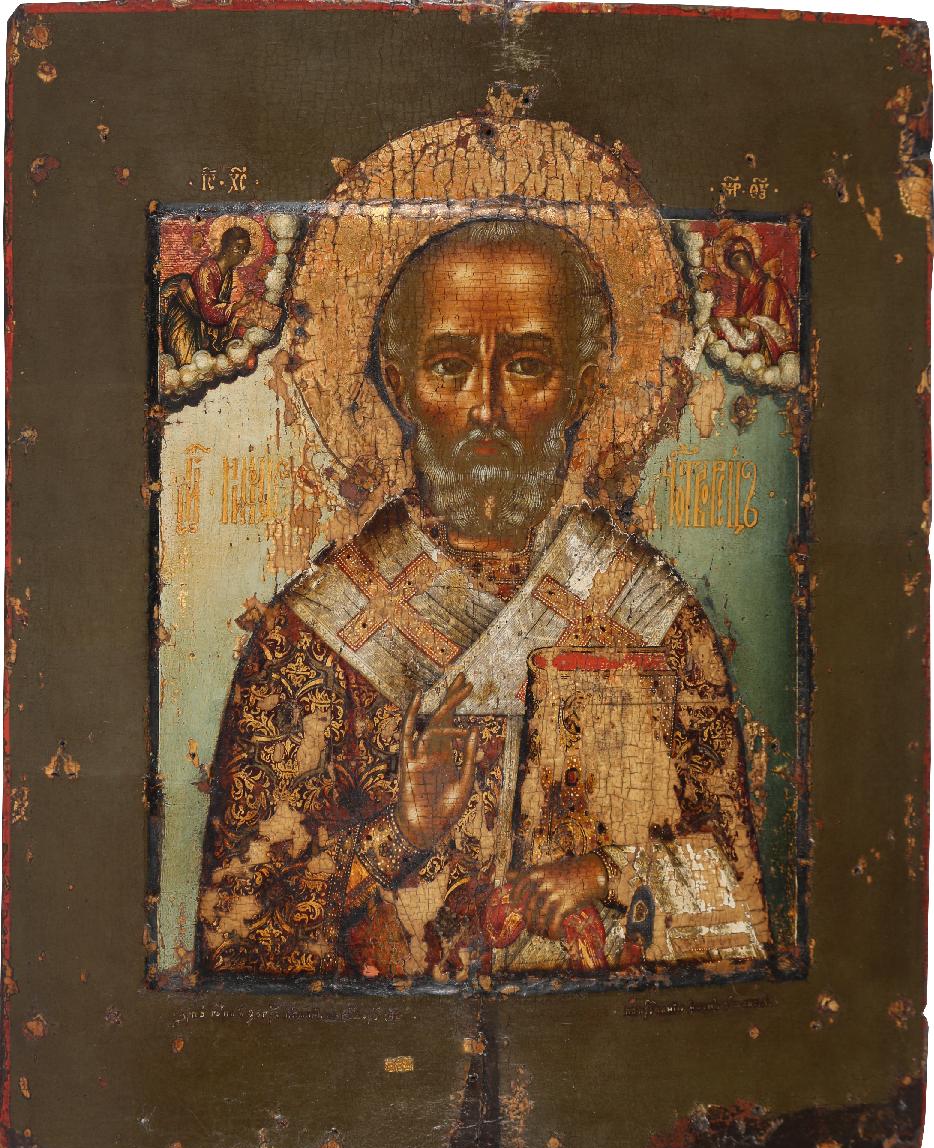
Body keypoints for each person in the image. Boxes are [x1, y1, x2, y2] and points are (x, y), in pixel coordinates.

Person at [196, 218, 771, 981]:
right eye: (450, 365)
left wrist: (605, 873)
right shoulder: (312, 635)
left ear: (584, 387)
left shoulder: (653, 618)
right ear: (399, 386)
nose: (486, 406)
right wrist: (401, 834)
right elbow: (238, 942)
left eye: (527, 365)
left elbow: (744, 911)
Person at [161, 226, 253, 366]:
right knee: (187, 369)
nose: (242, 254)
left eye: (246, 250)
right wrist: (239, 305)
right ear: (226, 246)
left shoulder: (227, 273)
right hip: (184, 326)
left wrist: (236, 322)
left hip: (199, 327)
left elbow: (216, 310)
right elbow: (210, 313)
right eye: (238, 247)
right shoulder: (207, 270)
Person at [718, 236, 797, 364]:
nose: (735, 265)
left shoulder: (768, 284)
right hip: (753, 343)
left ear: (749, 258)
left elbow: (769, 326)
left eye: (738, 259)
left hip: (775, 346)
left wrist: (746, 324)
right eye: (732, 262)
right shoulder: (743, 289)